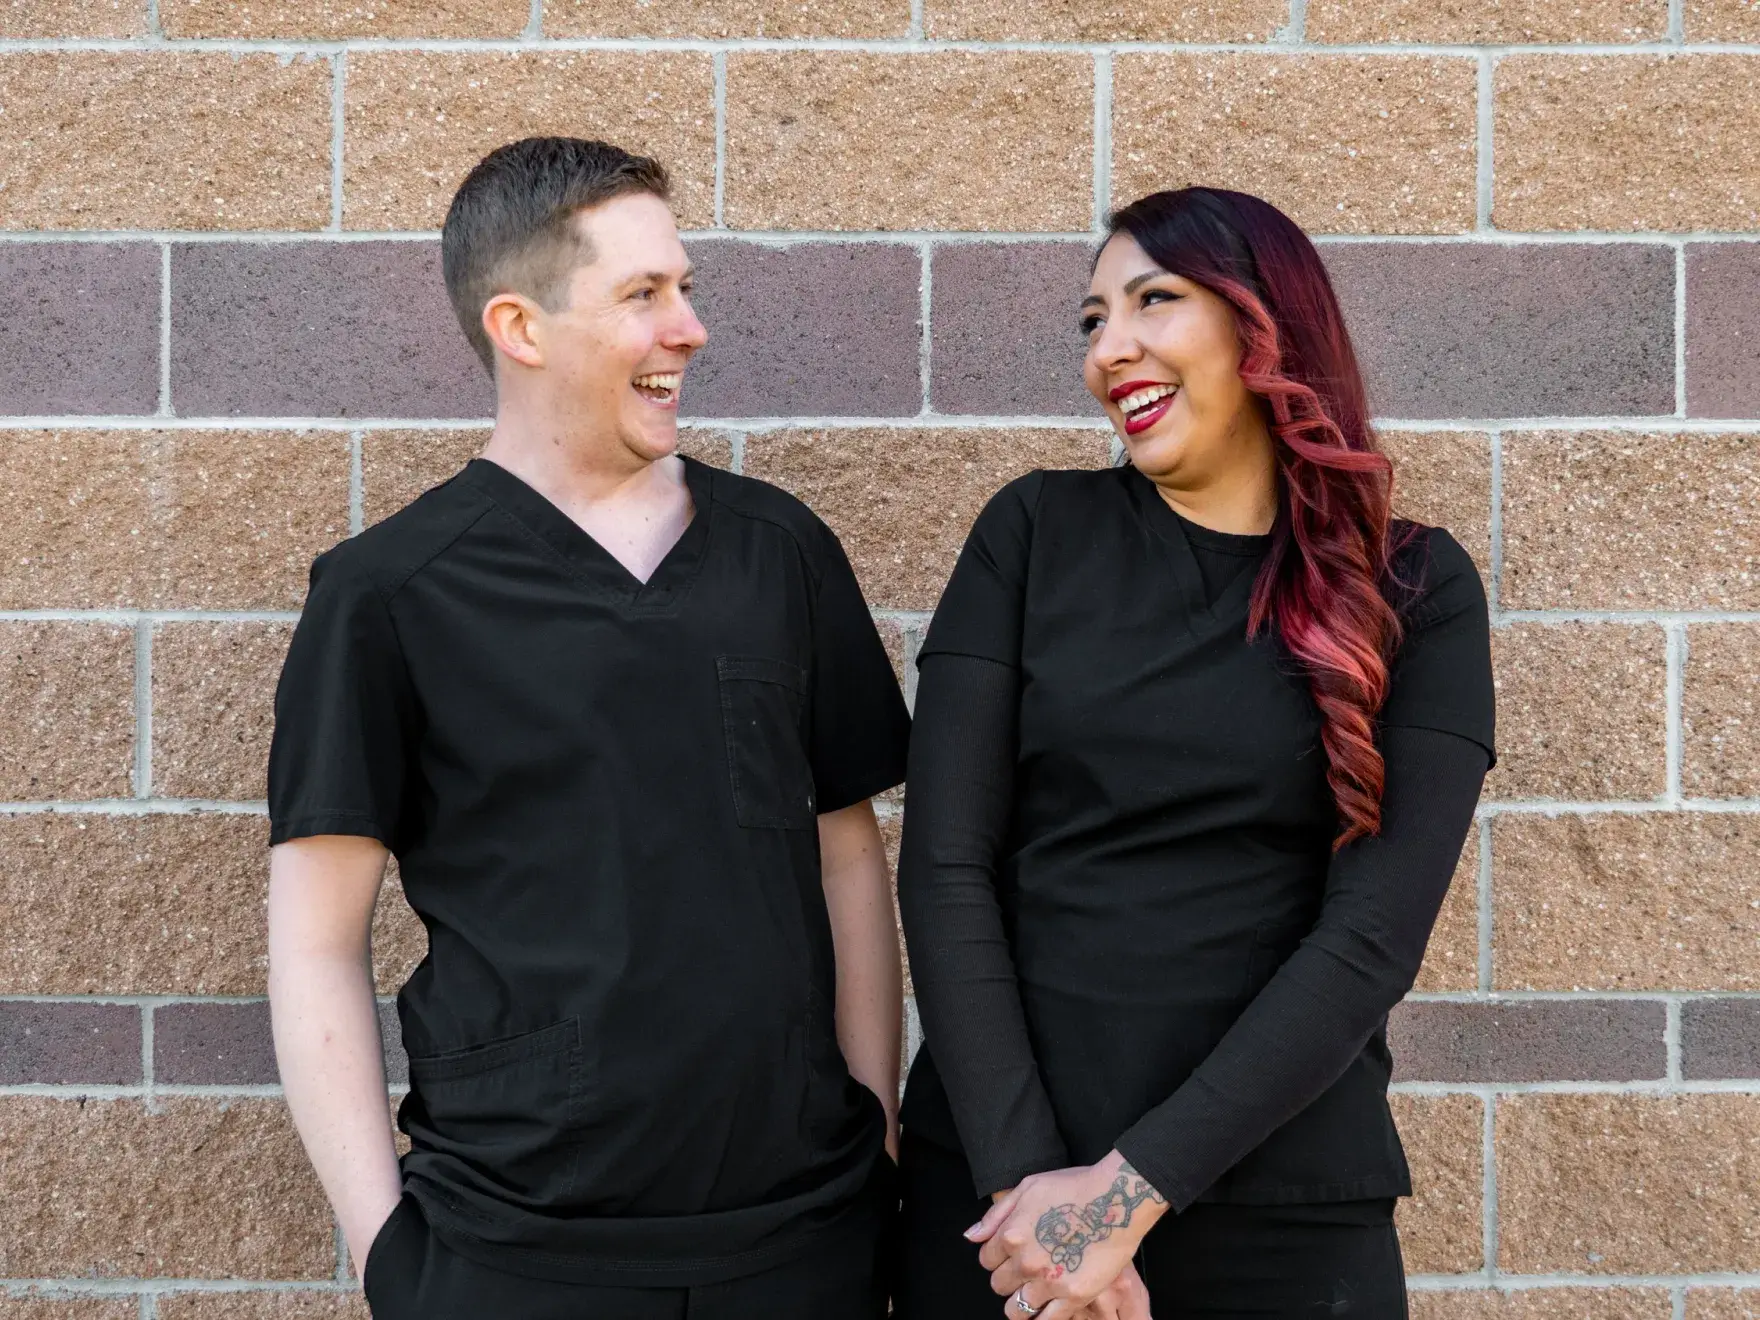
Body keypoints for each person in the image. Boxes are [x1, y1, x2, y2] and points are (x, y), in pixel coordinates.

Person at [265, 137, 910, 1320]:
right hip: (514, 1251)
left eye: (685, 288)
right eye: (643, 296)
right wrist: (385, 1254)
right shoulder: (389, 593)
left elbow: (845, 856)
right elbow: (316, 938)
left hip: (795, 1240)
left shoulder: (778, 554)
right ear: (520, 327)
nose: (689, 329)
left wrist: (872, 1135)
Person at [892, 187, 1496, 1320]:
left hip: (1281, 1216)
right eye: (1089, 321)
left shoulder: (1413, 588)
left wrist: (1123, 1197)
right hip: (1004, 1215)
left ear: (1265, 326)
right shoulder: (1030, 536)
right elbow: (943, 869)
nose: (1107, 348)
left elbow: (1369, 938)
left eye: (1152, 302)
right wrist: (1043, 1201)